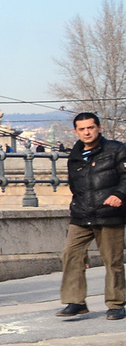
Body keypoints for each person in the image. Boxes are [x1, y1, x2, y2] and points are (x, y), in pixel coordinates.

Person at [57, 112, 126, 319]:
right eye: (82, 129)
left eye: (90, 128)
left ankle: (116, 303)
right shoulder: (75, 155)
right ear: (75, 131)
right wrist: (76, 205)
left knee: (112, 260)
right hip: (81, 214)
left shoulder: (116, 150)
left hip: (109, 213)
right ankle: (76, 302)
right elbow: (74, 185)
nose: (87, 132)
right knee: (71, 255)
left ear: (99, 128)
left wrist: (119, 194)